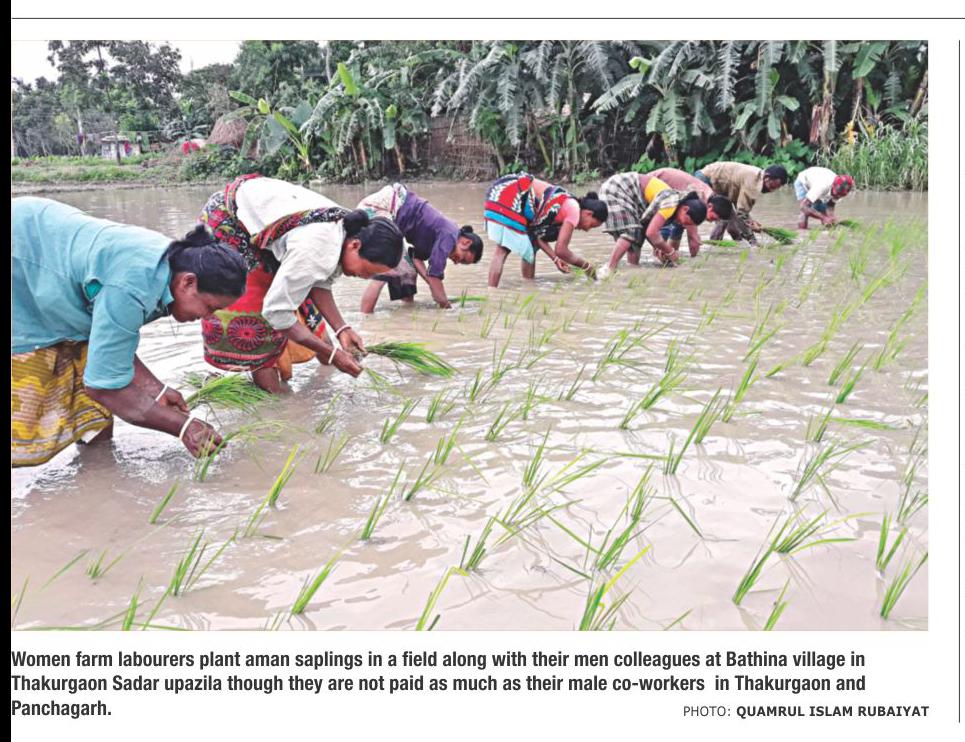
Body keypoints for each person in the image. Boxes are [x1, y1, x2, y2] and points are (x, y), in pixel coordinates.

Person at [12, 197, 248, 467]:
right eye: (209, 307)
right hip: (23, 256)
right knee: (26, 409)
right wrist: (183, 427)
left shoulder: (170, 268)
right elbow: (103, 387)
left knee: (96, 392)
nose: (208, 317)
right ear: (188, 282)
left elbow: (113, 344)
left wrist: (156, 390)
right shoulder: (133, 286)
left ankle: (99, 473)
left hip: (40, 234)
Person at [198, 174, 404, 394]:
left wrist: (342, 329)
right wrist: (332, 354)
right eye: (367, 271)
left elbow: (319, 283)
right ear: (355, 245)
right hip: (231, 223)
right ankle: (276, 402)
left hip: (269, 223)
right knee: (258, 325)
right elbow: (276, 312)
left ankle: (311, 375)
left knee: (306, 311)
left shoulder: (348, 230)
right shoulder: (316, 248)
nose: (364, 277)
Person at [357, 183, 483, 313]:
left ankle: (405, 313)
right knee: (386, 269)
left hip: (390, 214)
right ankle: (365, 317)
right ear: (465, 242)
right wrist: (447, 307)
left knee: (407, 272)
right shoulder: (449, 235)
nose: (456, 262)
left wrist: (432, 285)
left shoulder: (439, 238)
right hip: (384, 207)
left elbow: (416, 259)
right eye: (462, 259)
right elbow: (435, 276)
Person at [483, 172, 607, 287]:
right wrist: (587, 266)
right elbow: (561, 250)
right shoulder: (574, 209)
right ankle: (492, 292)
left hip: (507, 190)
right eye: (591, 225)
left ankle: (528, 287)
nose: (587, 230)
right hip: (510, 194)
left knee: (531, 247)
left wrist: (555, 259)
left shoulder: (566, 207)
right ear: (588, 214)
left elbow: (538, 237)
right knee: (503, 250)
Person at [600, 172, 708, 270]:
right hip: (618, 189)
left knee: (636, 240)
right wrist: (670, 251)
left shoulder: (673, 204)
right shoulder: (671, 203)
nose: (682, 224)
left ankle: (633, 269)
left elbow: (647, 229)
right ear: (685, 209)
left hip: (626, 194)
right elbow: (651, 233)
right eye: (686, 222)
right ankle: (609, 268)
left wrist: (659, 247)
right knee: (630, 232)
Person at [696, 162, 788, 244]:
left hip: (721, 188)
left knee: (733, 227)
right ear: (767, 177)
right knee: (721, 218)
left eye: (775, 189)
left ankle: (728, 248)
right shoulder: (753, 183)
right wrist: (753, 240)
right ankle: (710, 245)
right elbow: (741, 213)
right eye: (772, 186)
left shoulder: (757, 177)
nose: (771, 191)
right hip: (706, 180)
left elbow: (740, 211)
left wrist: (751, 222)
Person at [649, 167, 734, 256]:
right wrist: (694, 238)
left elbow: (683, 225)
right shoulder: (699, 198)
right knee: (665, 224)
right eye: (713, 218)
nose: (712, 221)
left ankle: (668, 256)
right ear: (710, 206)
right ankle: (662, 254)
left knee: (680, 221)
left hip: (664, 185)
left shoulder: (707, 196)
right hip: (655, 182)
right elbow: (692, 235)